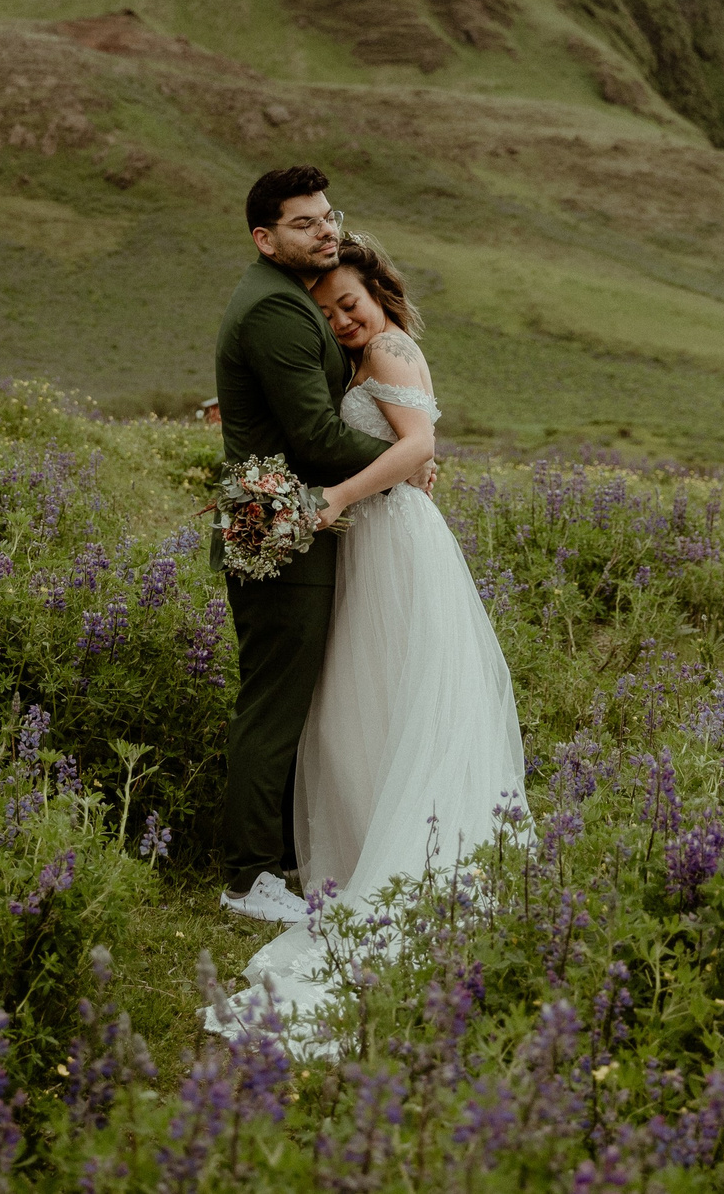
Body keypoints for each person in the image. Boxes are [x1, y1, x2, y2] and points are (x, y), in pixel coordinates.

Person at [214, 228, 528, 1039]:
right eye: (327, 312)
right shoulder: (358, 358)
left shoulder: (390, 346)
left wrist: (340, 496)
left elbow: (418, 447)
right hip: (374, 538)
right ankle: (359, 848)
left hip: (389, 532)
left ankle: (388, 857)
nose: (342, 320)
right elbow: (337, 417)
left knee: (395, 688)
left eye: (347, 303)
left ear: (377, 291)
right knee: (363, 692)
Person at [209, 167, 393, 923]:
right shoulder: (278, 312)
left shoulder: (282, 300)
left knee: (288, 697)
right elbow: (315, 437)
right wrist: (401, 469)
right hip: (279, 532)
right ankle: (248, 877)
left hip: (285, 525)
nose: (325, 231)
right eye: (303, 223)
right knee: (276, 703)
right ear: (265, 237)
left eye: (328, 217)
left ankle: (276, 858)